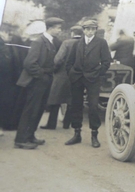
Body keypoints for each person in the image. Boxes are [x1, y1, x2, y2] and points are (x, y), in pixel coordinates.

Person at [13, 17, 64, 149]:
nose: (60, 30)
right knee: (30, 110)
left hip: (44, 81)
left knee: (38, 110)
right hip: (36, 81)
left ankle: (30, 136)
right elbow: (29, 63)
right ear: (51, 28)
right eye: (58, 27)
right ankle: (21, 139)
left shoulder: (49, 41)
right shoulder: (39, 42)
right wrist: (41, 75)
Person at [65, 19, 112, 148]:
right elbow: (69, 61)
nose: (90, 31)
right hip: (77, 78)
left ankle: (94, 135)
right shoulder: (77, 43)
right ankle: (76, 134)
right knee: (76, 105)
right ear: (83, 30)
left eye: (93, 29)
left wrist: (98, 73)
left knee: (93, 106)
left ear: (96, 30)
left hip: (93, 79)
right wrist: (71, 73)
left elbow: (107, 61)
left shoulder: (101, 43)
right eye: (88, 29)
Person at [41, 25, 83, 130]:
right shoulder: (85, 44)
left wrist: (54, 69)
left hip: (62, 75)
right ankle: (66, 124)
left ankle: (51, 124)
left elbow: (58, 59)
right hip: (77, 76)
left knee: (56, 99)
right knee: (71, 100)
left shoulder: (67, 43)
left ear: (72, 33)